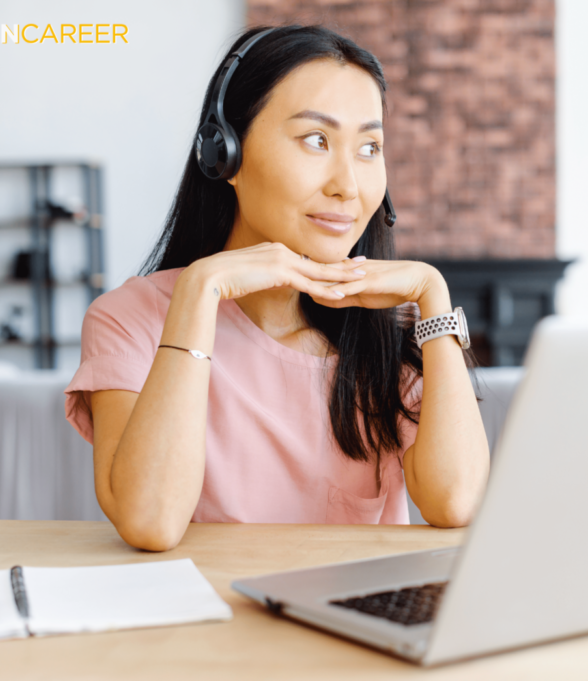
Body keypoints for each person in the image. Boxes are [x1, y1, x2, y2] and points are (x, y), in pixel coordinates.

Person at [64, 25, 490, 552]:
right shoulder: (129, 319)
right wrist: (202, 289)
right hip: (208, 622)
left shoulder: (387, 332)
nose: (348, 186)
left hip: (354, 623)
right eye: (317, 140)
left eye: (369, 146)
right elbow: (150, 520)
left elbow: (456, 501)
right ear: (225, 154)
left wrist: (434, 294)